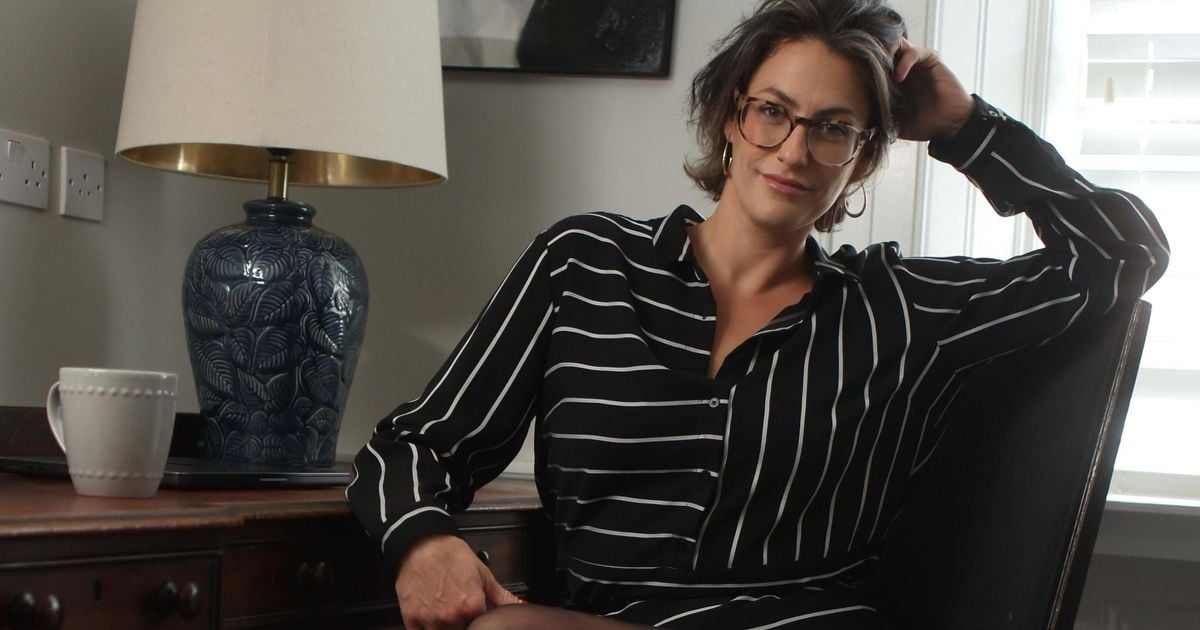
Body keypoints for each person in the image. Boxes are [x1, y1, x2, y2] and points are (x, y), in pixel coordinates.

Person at [347, 0, 1170, 628]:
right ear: (730, 116)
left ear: (862, 160)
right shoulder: (584, 264)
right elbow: (420, 441)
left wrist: (965, 126)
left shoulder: (901, 307)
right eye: (773, 110)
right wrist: (422, 538)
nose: (794, 150)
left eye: (834, 129)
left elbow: (1124, 251)